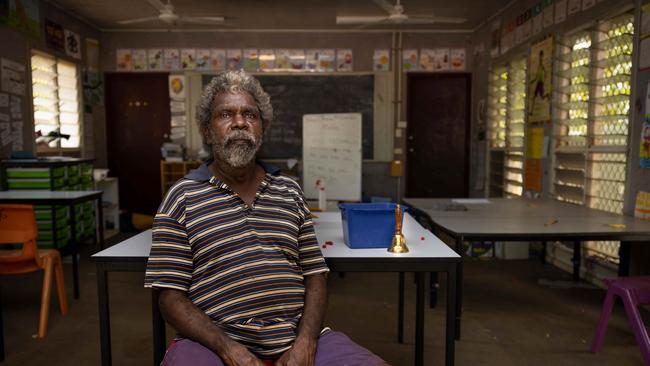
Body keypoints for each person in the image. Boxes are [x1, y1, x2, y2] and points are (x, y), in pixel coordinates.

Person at [145, 70, 389, 366]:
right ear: (207, 131)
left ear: (262, 128)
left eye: (250, 114)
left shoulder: (289, 191)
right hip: (211, 344)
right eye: (226, 115)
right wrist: (228, 348)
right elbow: (169, 297)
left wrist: (306, 342)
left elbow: (315, 275)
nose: (239, 123)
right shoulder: (182, 197)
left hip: (296, 338)